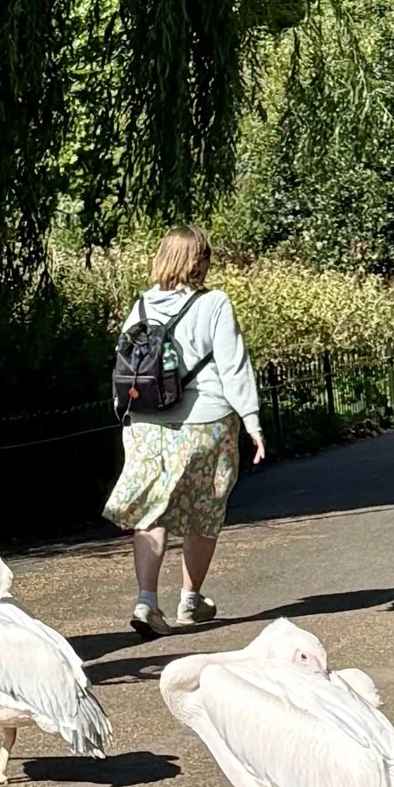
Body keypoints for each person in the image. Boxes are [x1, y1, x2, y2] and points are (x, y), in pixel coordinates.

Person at [105, 227, 264, 635]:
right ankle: (190, 600)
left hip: (145, 422)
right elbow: (233, 366)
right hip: (205, 421)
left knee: (151, 509)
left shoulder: (140, 306)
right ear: (199, 261)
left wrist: (125, 412)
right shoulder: (214, 303)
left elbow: (124, 365)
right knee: (205, 510)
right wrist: (252, 421)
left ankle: (146, 601)